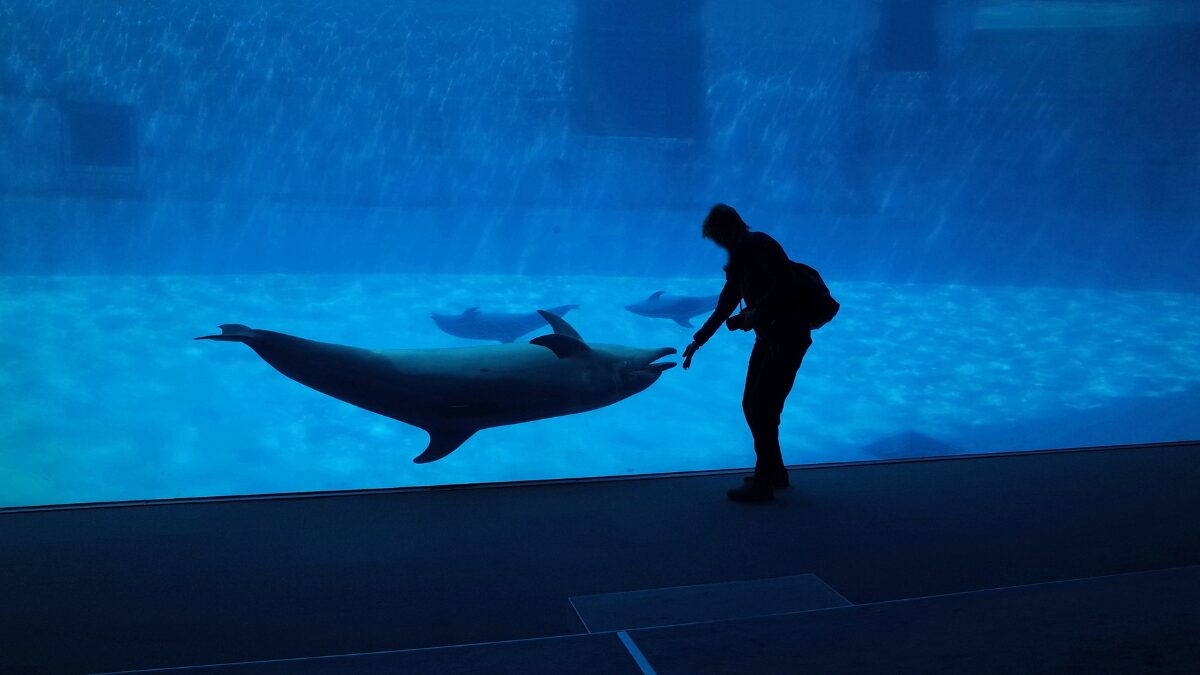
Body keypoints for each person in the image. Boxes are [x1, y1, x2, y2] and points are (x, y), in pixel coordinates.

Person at [682, 204, 812, 502]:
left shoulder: (761, 246)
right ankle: (774, 471)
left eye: (716, 237)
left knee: (762, 408)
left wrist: (752, 316)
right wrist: (698, 341)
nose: (718, 245)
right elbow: (726, 304)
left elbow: (785, 291)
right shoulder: (739, 258)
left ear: (725, 230)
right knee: (753, 405)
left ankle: (764, 481)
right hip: (768, 339)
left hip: (788, 339)